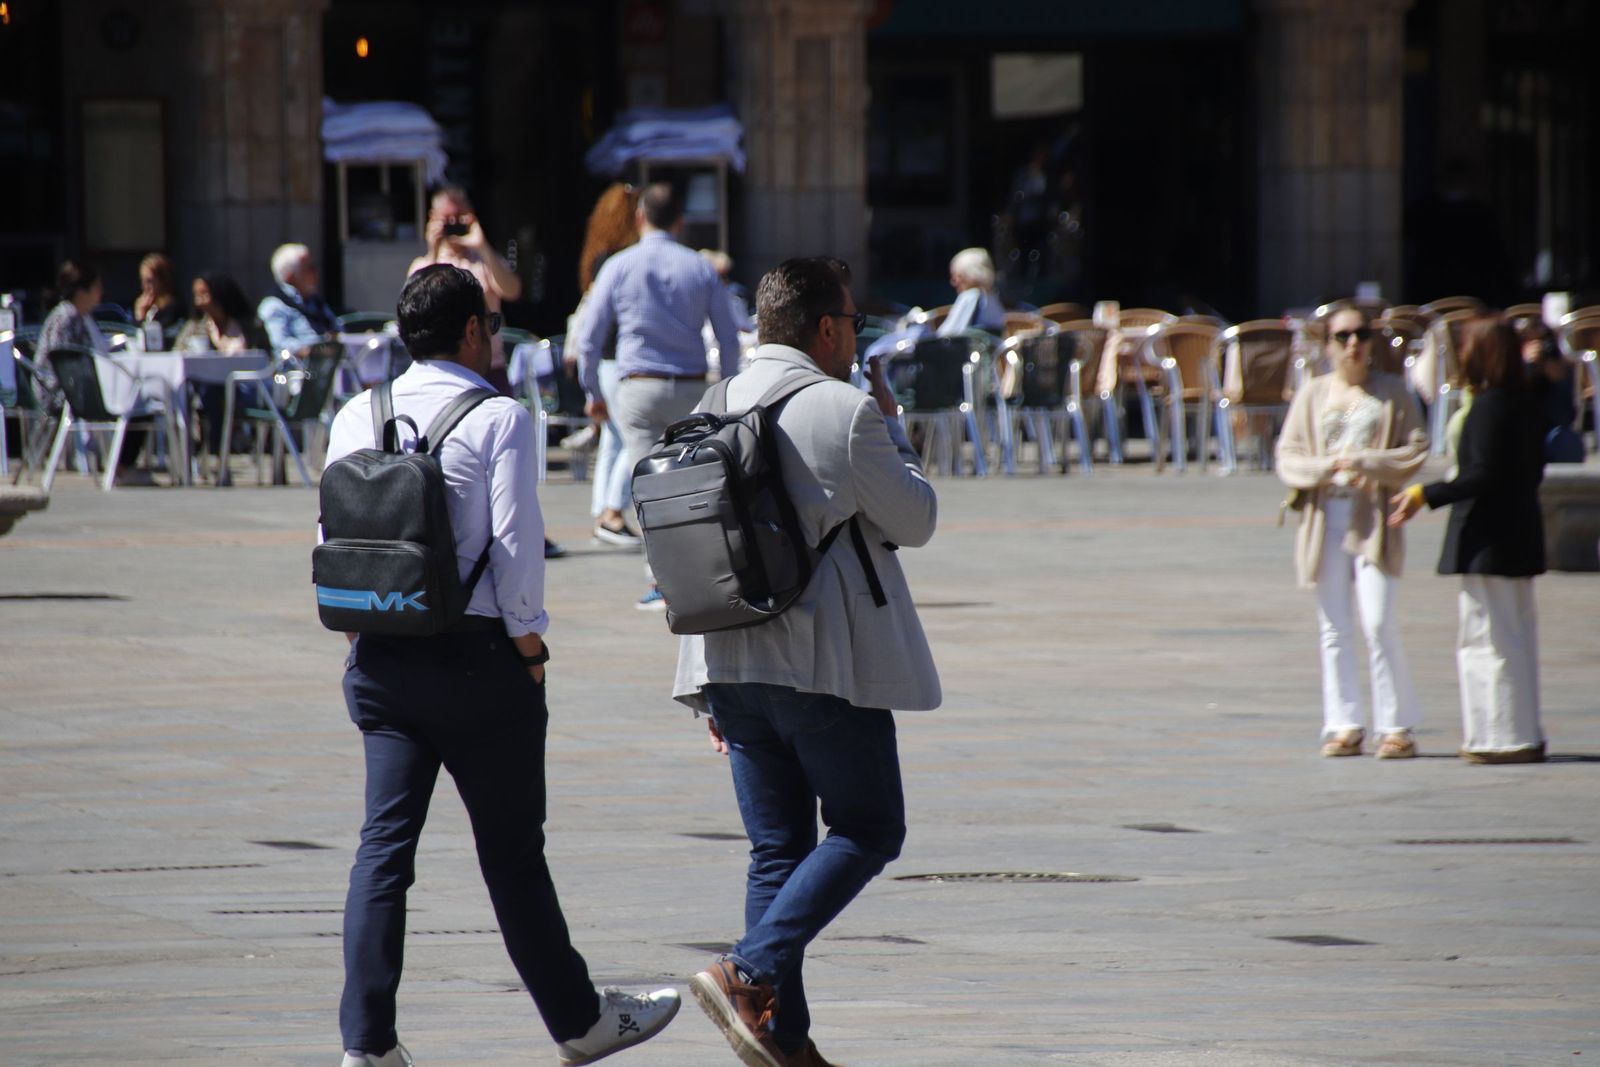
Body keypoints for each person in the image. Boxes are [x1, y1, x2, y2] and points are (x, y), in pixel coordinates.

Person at [323, 265, 679, 1067]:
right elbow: (518, 555)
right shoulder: (498, 417)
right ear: (475, 333)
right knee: (512, 853)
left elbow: (331, 534)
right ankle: (579, 1020)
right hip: (478, 660)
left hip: (380, 655)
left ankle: (367, 1044)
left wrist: (363, 641)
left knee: (382, 852)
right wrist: (531, 654)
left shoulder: (355, 412)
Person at [674, 257, 939, 1067]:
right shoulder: (846, 410)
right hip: (825, 663)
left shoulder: (711, 402)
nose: (856, 335)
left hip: (727, 658)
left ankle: (784, 1039)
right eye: (854, 321)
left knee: (778, 851)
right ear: (826, 329)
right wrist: (892, 428)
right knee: (869, 826)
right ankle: (746, 968)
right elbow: (916, 518)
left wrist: (700, 686)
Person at [573, 182, 742, 609]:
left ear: (639, 217)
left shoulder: (618, 265)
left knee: (648, 484)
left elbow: (589, 339)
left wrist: (593, 390)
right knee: (695, 482)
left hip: (640, 386)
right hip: (690, 385)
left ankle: (661, 583)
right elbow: (728, 335)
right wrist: (728, 389)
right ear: (681, 221)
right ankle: (701, 575)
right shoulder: (700, 267)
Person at [1390, 316, 1549, 764]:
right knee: (1516, 635)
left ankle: (1497, 736)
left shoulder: (1488, 406)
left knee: (1487, 639)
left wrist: (1426, 493)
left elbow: (1479, 475)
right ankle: (1521, 730)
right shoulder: (1525, 401)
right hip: (1520, 532)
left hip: (1487, 539)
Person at [1275, 304, 1430, 759]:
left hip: (1374, 517)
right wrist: (1325, 468)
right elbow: (1288, 457)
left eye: (1360, 334)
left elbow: (1416, 450)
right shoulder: (1313, 393)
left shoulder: (1392, 392)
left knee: (1378, 621)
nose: (1353, 344)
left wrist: (1368, 464)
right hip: (1327, 517)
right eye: (1342, 337)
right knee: (1334, 626)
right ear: (1327, 345)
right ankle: (1344, 723)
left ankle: (1397, 725)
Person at [569, 182, 642, 546]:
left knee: (614, 438)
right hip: (620, 359)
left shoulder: (599, 257)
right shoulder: (624, 259)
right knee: (633, 436)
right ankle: (612, 512)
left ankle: (603, 513)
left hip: (604, 360)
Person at [37, 260, 152, 484]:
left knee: (138, 397)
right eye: (98, 286)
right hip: (67, 394)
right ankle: (121, 467)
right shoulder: (68, 318)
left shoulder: (79, 317)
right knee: (140, 402)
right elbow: (71, 363)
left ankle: (119, 464)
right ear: (83, 290)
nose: (102, 291)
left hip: (76, 390)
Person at [407, 185, 523, 397]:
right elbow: (415, 307)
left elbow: (512, 290)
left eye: (459, 217)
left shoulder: (484, 261)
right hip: (440, 372)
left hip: (488, 368)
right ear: (433, 218)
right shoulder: (424, 264)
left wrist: (482, 246)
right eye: (447, 219)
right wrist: (433, 250)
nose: (453, 224)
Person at [176, 272, 271, 471]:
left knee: (216, 393)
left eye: (205, 294)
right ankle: (208, 451)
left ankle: (215, 450)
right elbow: (179, 354)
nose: (200, 302)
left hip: (246, 388)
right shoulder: (195, 327)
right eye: (197, 295)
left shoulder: (250, 325)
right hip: (203, 390)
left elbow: (264, 358)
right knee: (209, 392)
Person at [259, 243, 337, 354]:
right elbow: (279, 344)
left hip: (329, 365)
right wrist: (316, 350)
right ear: (290, 277)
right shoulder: (274, 304)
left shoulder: (316, 302)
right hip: (297, 369)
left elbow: (338, 329)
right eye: (310, 268)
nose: (315, 274)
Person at [937, 247, 1005, 337]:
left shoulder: (970, 296)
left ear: (970, 274)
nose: (953, 282)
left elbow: (947, 335)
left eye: (957, 276)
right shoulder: (993, 297)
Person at [133, 253, 187, 342]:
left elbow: (158, 336)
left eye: (149, 281)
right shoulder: (151, 309)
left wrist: (142, 318)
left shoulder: (175, 309)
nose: (144, 286)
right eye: (142, 280)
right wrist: (140, 315)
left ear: (163, 280)